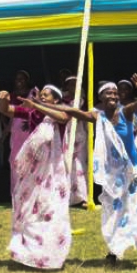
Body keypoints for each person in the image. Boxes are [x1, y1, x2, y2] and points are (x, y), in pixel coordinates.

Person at [39, 76, 137, 268]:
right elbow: (70, 110)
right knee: (113, 212)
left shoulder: (126, 112)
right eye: (109, 93)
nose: (113, 96)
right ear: (101, 98)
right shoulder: (97, 116)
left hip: (134, 170)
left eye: (115, 93)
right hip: (114, 175)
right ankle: (114, 251)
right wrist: (38, 105)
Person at [0, 85, 72, 270]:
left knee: (50, 209)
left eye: (46, 96)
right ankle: (29, 254)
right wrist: (4, 98)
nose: (42, 97)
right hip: (33, 171)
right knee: (30, 208)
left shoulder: (61, 111)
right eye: (41, 95)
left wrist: (37, 105)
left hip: (53, 171)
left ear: (56, 100)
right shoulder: (33, 112)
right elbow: (6, 110)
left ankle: (51, 256)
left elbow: (63, 117)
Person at [7, 70, 39, 196]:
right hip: (16, 131)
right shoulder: (11, 95)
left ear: (27, 80)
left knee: (31, 159)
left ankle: (31, 192)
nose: (19, 81)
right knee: (16, 159)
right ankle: (18, 192)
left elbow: (39, 109)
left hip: (30, 129)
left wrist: (30, 120)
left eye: (22, 79)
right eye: (17, 79)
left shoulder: (34, 92)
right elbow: (9, 115)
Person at [62, 76, 88, 207]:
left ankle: (82, 197)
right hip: (65, 133)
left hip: (79, 133)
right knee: (66, 164)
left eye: (75, 84)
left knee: (79, 164)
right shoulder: (61, 99)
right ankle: (67, 197)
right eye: (70, 85)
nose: (73, 87)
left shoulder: (81, 99)